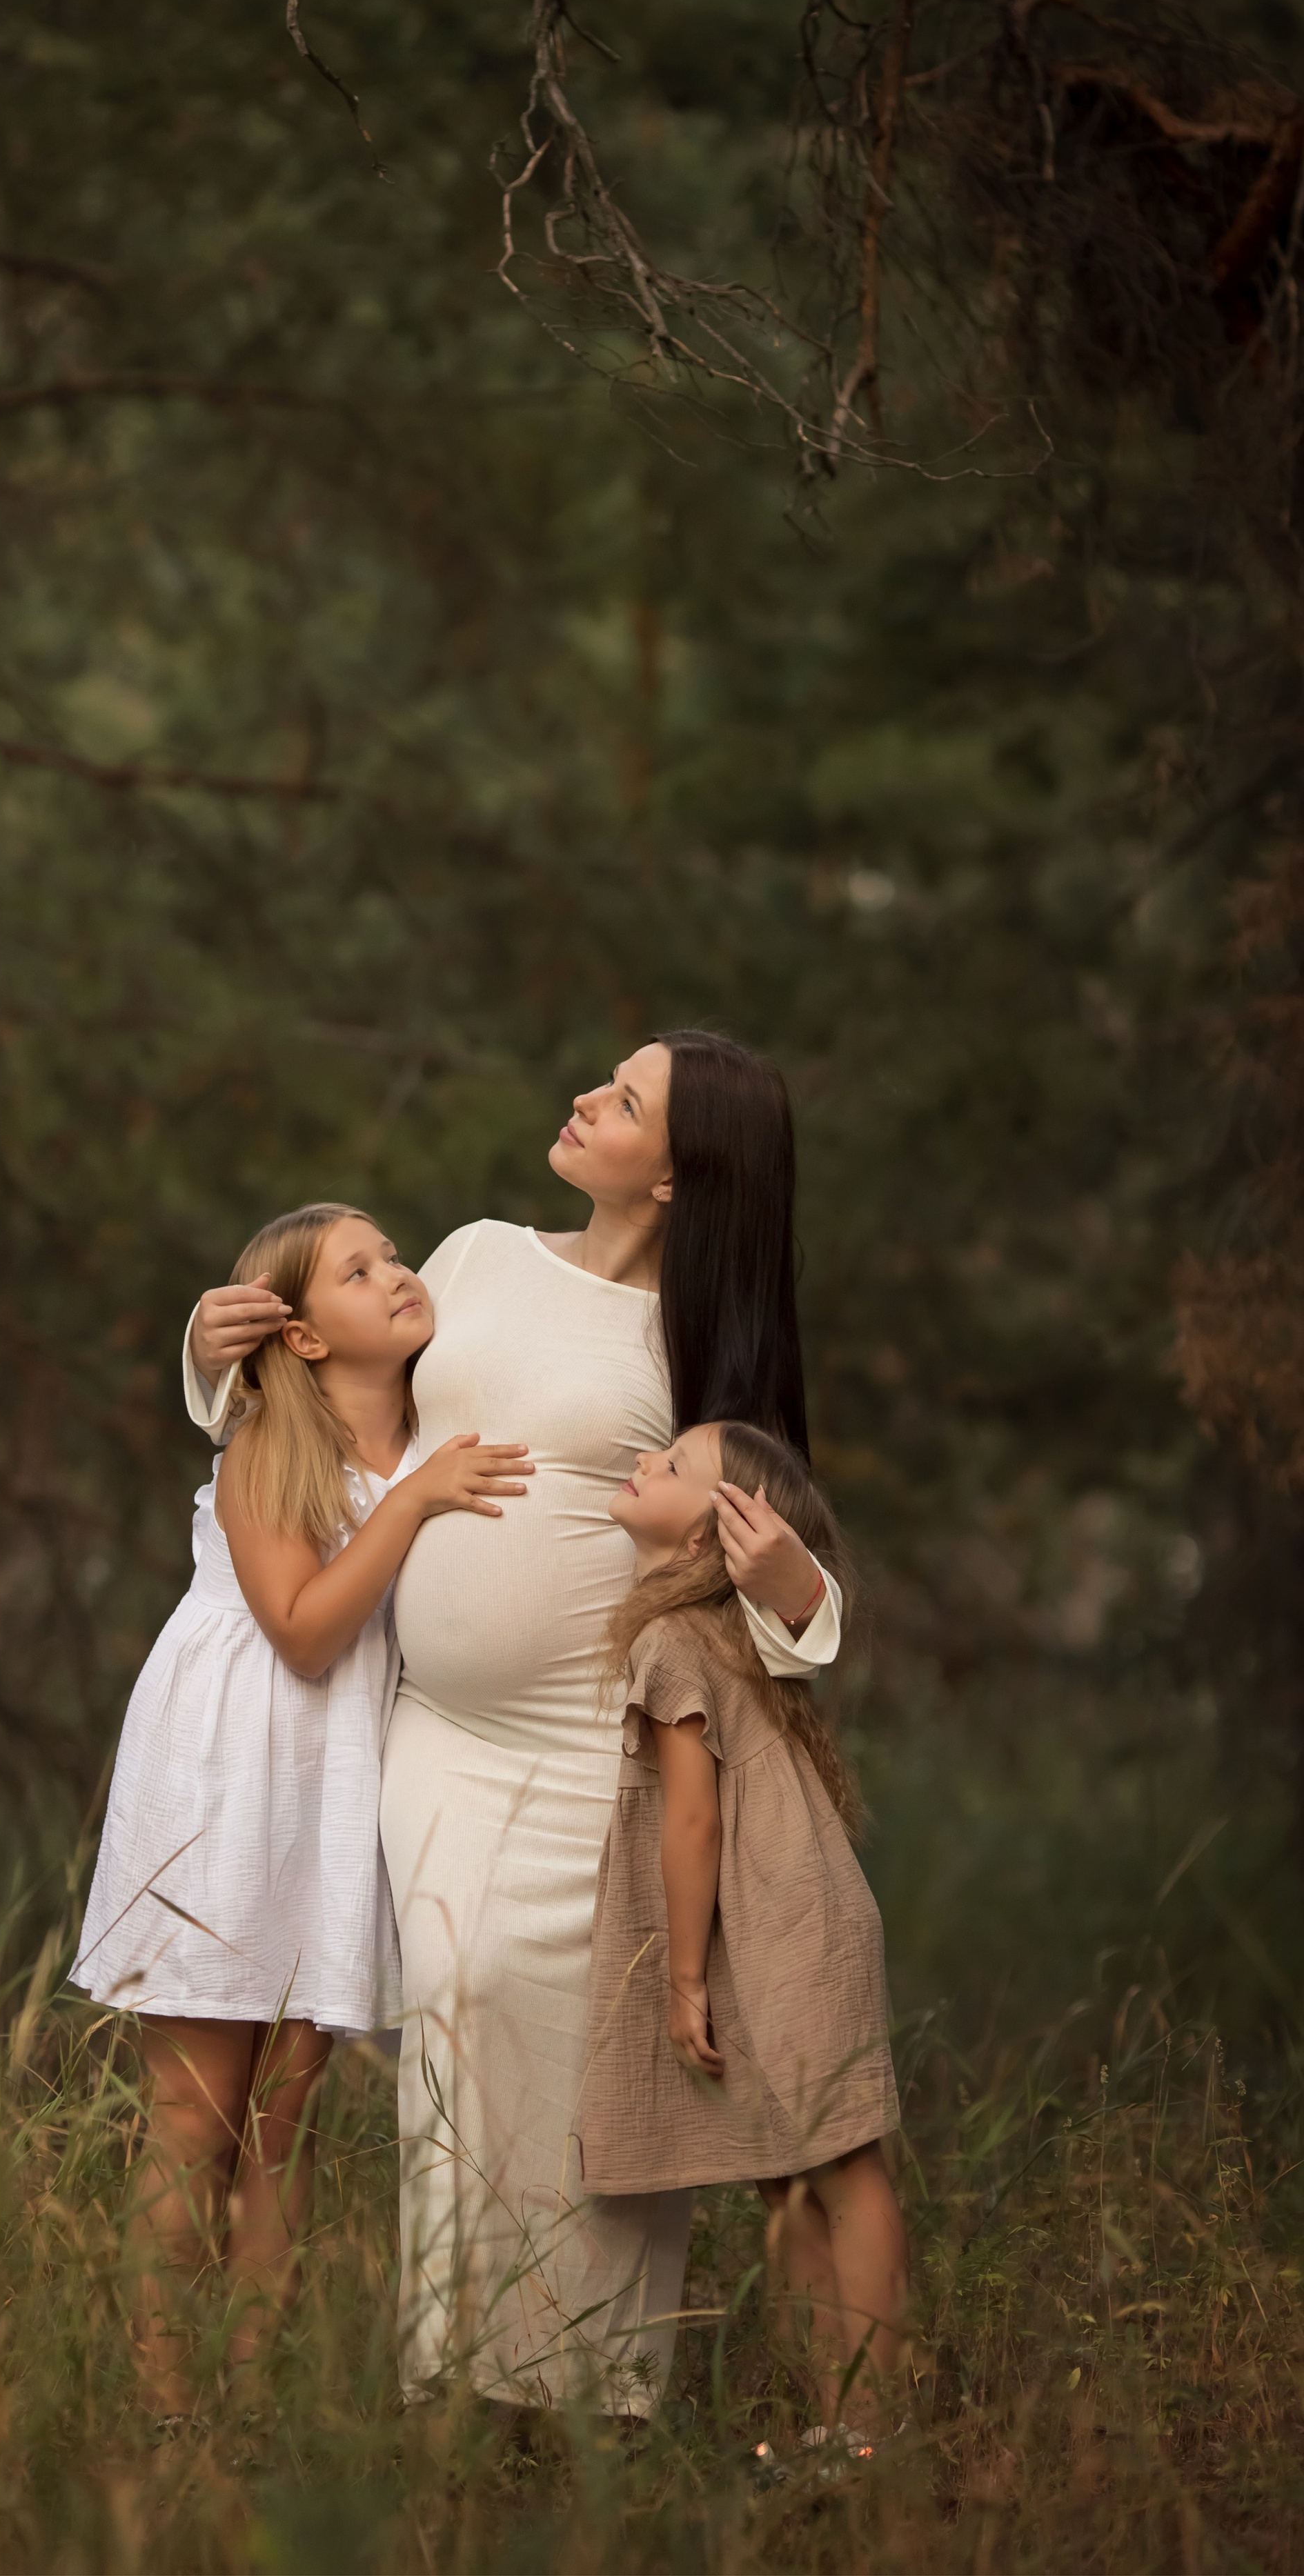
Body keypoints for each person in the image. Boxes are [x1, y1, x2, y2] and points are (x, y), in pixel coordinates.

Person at [184, 1030, 842, 2417]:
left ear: (675, 1175)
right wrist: (207, 1360)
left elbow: (772, 1553)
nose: (583, 1098)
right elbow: (331, 1390)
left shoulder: (702, 1339)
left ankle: (589, 2396)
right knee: (460, 2016)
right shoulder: (477, 1252)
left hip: (590, 1754)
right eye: (603, 1080)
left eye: (624, 1101)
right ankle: (454, 2384)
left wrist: (799, 1601)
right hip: (435, 1737)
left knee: (594, 2062)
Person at [74, 1201, 528, 2413]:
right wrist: (415, 1501)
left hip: (338, 1787)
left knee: (287, 2116)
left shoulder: (434, 1436)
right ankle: (165, 2410)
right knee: (196, 2113)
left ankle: (252, 2399)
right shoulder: (265, 1449)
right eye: (358, 1269)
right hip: (230, 1775)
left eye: (393, 1253)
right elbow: (309, 1632)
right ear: (308, 1337)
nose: (397, 1274)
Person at [580, 1416, 907, 2457]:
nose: (646, 1460)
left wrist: (681, 1978)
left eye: (673, 1465)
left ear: (702, 1543)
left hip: (790, 1924)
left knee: (843, 2168)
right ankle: (838, 2420)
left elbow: (693, 1820)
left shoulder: (681, 1637)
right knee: (788, 2174)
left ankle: (873, 2426)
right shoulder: (704, 1630)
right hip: (776, 1922)